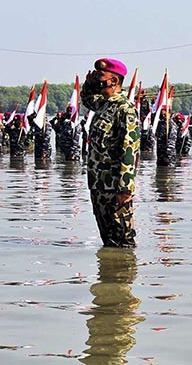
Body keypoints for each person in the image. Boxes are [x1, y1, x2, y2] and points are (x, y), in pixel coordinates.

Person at [82, 57, 141, 248]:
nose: (97, 78)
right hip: (98, 184)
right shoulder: (104, 105)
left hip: (115, 187)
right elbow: (87, 99)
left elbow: (129, 149)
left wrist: (125, 188)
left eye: (101, 75)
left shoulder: (125, 109)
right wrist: (89, 83)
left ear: (114, 81)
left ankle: (125, 275)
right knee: (108, 241)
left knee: (123, 242)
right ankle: (108, 277)